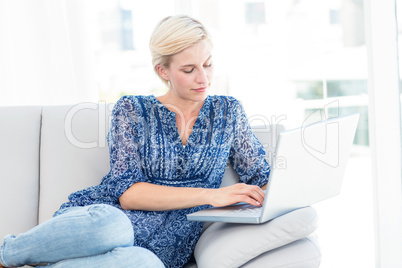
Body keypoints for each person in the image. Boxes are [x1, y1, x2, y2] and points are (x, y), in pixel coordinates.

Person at [0, 15, 270, 268]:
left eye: (208, 64)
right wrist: (211, 196)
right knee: (112, 225)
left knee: (145, 264)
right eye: (189, 69)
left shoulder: (228, 111)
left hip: (158, 251)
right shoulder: (131, 109)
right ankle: (7, 253)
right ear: (163, 71)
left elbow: (261, 175)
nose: (203, 78)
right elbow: (128, 195)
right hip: (99, 227)